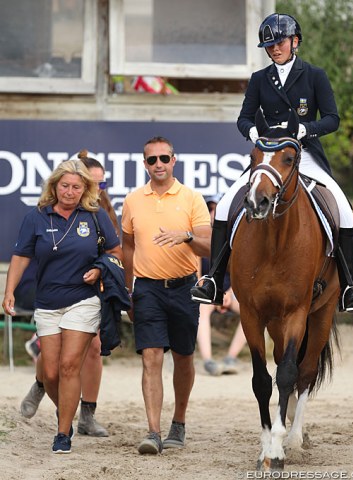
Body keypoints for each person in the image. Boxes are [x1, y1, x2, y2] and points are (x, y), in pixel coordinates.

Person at [190, 12, 353, 313]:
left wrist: (305, 129)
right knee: (223, 206)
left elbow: (332, 119)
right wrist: (253, 132)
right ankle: (214, 280)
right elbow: (244, 117)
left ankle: (349, 286)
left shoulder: (314, 75)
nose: (275, 49)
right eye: (269, 45)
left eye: (280, 42)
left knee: (344, 210)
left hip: (303, 153)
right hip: (268, 156)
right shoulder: (260, 79)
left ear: (294, 41)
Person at [2, 159, 122, 454]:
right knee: (52, 372)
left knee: (70, 366)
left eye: (76, 187)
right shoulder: (37, 218)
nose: (70, 192)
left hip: (83, 299)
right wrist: (9, 291)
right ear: (54, 186)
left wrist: (100, 268)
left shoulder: (95, 216)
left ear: (86, 189)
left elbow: (115, 251)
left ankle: (63, 432)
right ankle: (65, 411)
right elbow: (20, 256)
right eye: (65, 186)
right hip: (47, 303)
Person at [121, 136, 211, 454]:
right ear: (144, 164)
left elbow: (210, 245)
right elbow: (127, 246)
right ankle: (153, 432)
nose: (158, 164)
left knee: (184, 358)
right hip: (146, 288)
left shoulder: (192, 198)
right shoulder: (132, 200)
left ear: (174, 160)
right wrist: (128, 288)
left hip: (185, 287)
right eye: (151, 160)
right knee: (151, 357)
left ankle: (179, 422)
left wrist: (186, 236)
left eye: (163, 158)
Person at [197, 195, 246, 376]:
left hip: (230, 291)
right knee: (202, 309)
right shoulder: (198, 239)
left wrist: (228, 294)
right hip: (208, 290)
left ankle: (230, 358)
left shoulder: (233, 241)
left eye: (218, 210)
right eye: (211, 210)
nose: (214, 214)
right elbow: (198, 276)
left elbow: (239, 275)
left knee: (252, 312)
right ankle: (208, 361)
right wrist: (212, 292)